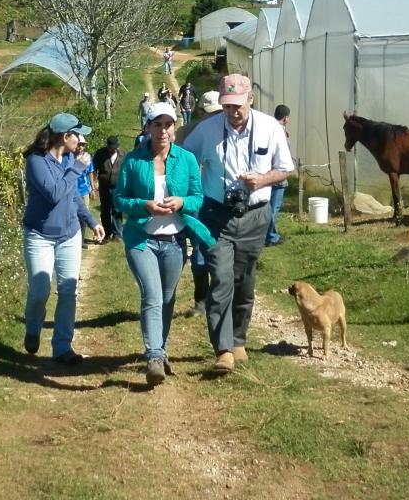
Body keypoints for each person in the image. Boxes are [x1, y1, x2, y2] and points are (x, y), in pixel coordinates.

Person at [182, 73, 294, 375]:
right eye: (227, 106)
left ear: (251, 100)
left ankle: (238, 338)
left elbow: (286, 168)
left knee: (245, 281)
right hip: (216, 215)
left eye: (238, 106)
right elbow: (183, 158)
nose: (233, 112)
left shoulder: (270, 128)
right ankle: (223, 350)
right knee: (220, 278)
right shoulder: (206, 131)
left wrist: (262, 180)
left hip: (255, 215)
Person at [115, 101, 213, 386]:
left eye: (168, 124)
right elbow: (120, 199)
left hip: (174, 241)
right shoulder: (133, 161)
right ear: (147, 127)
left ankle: (161, 348)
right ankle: (154, 356)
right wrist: (144, 205)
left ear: (174, 128)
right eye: (157, 124)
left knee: (168, 299)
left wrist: (182, 201)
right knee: (152, 295)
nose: (162, 130)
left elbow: (198, 196)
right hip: (141, 239)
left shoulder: (186, 159)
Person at [21, 111, 104, 365]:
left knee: (69, 290)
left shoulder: (69, 159)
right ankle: (33, 327)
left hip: (69, 234)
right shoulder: (36, 162)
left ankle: (62, 347)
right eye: (78, 135)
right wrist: (78, 167)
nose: (81, 141)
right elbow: (55, 193)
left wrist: (91, 221)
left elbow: (71, 196)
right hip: (40, 236)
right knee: (40, 290)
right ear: (65, 136)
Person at [178, 88, 227, 315]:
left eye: (220, 111)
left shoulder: (231, 131)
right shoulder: (186, 133)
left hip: (221, 201)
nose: (217, 115)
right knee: (199, 251)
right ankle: (201, 300)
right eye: (211, 112)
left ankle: (221, 298)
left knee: (221, 250)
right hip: (196, 200)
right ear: (200, 112)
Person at [265, 104, 291, 246]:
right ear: (286, 118)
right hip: (278, 176)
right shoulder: (279, 132)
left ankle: (267, 234)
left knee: (268, 207)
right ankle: (270, 237)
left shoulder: (269, 128)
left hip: (267, 174)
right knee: (273, 208)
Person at [92, 135, 124, 241]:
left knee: (117, 209)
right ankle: (107, 232)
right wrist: (94, 183)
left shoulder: (123, 155)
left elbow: (127, 170)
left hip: (118, 186)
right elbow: (94, 169)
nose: (113, 149)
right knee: (105, 210)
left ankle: (117, 234)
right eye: (111, 147)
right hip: (104, 186)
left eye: (114, 148)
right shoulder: (100, 154)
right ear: (107, 146)